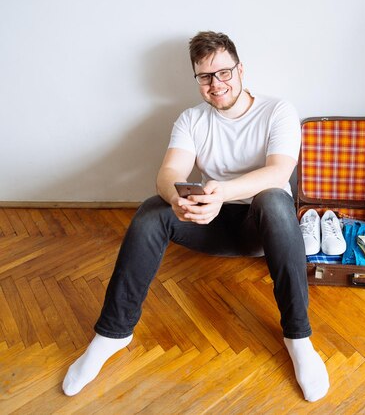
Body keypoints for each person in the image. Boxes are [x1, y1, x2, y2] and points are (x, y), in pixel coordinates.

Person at [62, 31, 329, 402]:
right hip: (210, 223)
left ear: (240, 70)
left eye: (223, 73)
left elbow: (278, 172)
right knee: (151, 211)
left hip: (263, 228)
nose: (216, 84)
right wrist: (178, 199)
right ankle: (113, 333)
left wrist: (222, 191)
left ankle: (298, 338)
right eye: (205, 76)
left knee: (272, 199)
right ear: (197, 80)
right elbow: (168, 173)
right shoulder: (191, 119)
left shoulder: (277, 110)